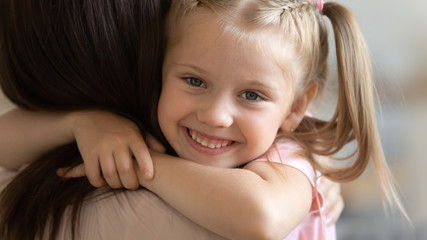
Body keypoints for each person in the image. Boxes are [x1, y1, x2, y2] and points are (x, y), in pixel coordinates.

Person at [3, 0, 406, 239]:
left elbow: (259, 217)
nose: (215, 114)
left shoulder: (287, 157)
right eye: (194, 80)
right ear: (160, 70)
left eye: (251, 95)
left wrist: (143, 165)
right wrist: (81, 123)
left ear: (296, 108)